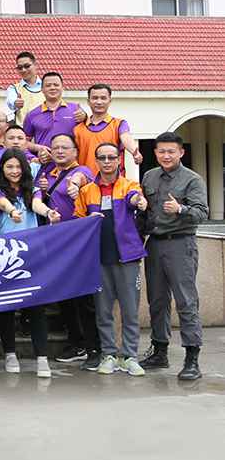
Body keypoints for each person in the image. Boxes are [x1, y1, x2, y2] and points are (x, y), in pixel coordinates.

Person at [74, 144, 149, 377]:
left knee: (130, 311)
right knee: (103, 311)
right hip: (98, 259)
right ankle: (108, 355)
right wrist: (88, 219)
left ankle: (130, 356)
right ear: (96, 161)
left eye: (111, 157)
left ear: (118, 160)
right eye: (102, 158)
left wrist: (139, 201)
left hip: (128, 257)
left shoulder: (129, 185)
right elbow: (77, 221)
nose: (107, 161)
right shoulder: (87, 191)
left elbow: (135, 198)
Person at [139, 132, 209, 381]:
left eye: (171, 151)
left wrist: (180, 209)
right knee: (157, 300)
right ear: (155, 153)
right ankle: (160, 351)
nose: (166, 155)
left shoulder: (192, 179)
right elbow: (145, 212)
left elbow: (202, 213)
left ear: (181, 152)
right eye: (161, 151)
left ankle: (192, 358)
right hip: (155, 244)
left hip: (181, 243)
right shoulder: (149, 176)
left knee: (186, 301)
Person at [0, 149, 60, 377]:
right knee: (7, 308)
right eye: (9, 167)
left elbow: (36, 204)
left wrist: (48, 212)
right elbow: (1, 204)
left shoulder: (34, 190)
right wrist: (12, 211)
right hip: (6, 257)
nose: (14, 171)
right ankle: (10, 354)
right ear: (2, 169)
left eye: (18, 167)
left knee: (36, 307)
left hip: (33, 255)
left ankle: (42, 358)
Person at [37, 134, 98, 366]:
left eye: (65, 147)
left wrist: (74, 185)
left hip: (78, 242)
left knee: (83, 297)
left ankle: (93, 347)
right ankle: (76, 342)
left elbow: (81, 179)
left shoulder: (81, 171)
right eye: (55, 148)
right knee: (64, 295)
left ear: (75, 151)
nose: (60, 151)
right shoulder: (48, 174)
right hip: (55, 242)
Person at [5, 51, 44, 122]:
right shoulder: (14, 88)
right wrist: (15, 103)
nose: (23, 70)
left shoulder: (46, 86)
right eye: (20, 67)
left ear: (35, 65)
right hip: (23, 128)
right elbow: (11, 102)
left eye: (27, 66)